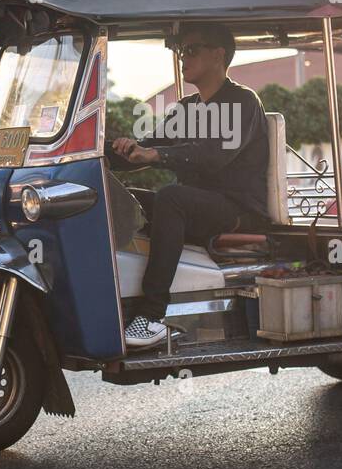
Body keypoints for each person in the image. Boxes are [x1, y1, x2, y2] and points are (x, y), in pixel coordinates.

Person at [109, 23, 269, 349]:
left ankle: (152, 315)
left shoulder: (242, 102)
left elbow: (212, 156)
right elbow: (148, 148)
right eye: (182, 51)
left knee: (171, 197)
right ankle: (110, 299)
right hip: (194, 208)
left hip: (237, 208)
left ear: (218, 55)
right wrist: (110, 152)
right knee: (122, 198)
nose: (184, 57)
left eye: (192, 50)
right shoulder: (186, 108)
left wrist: (154, 153)